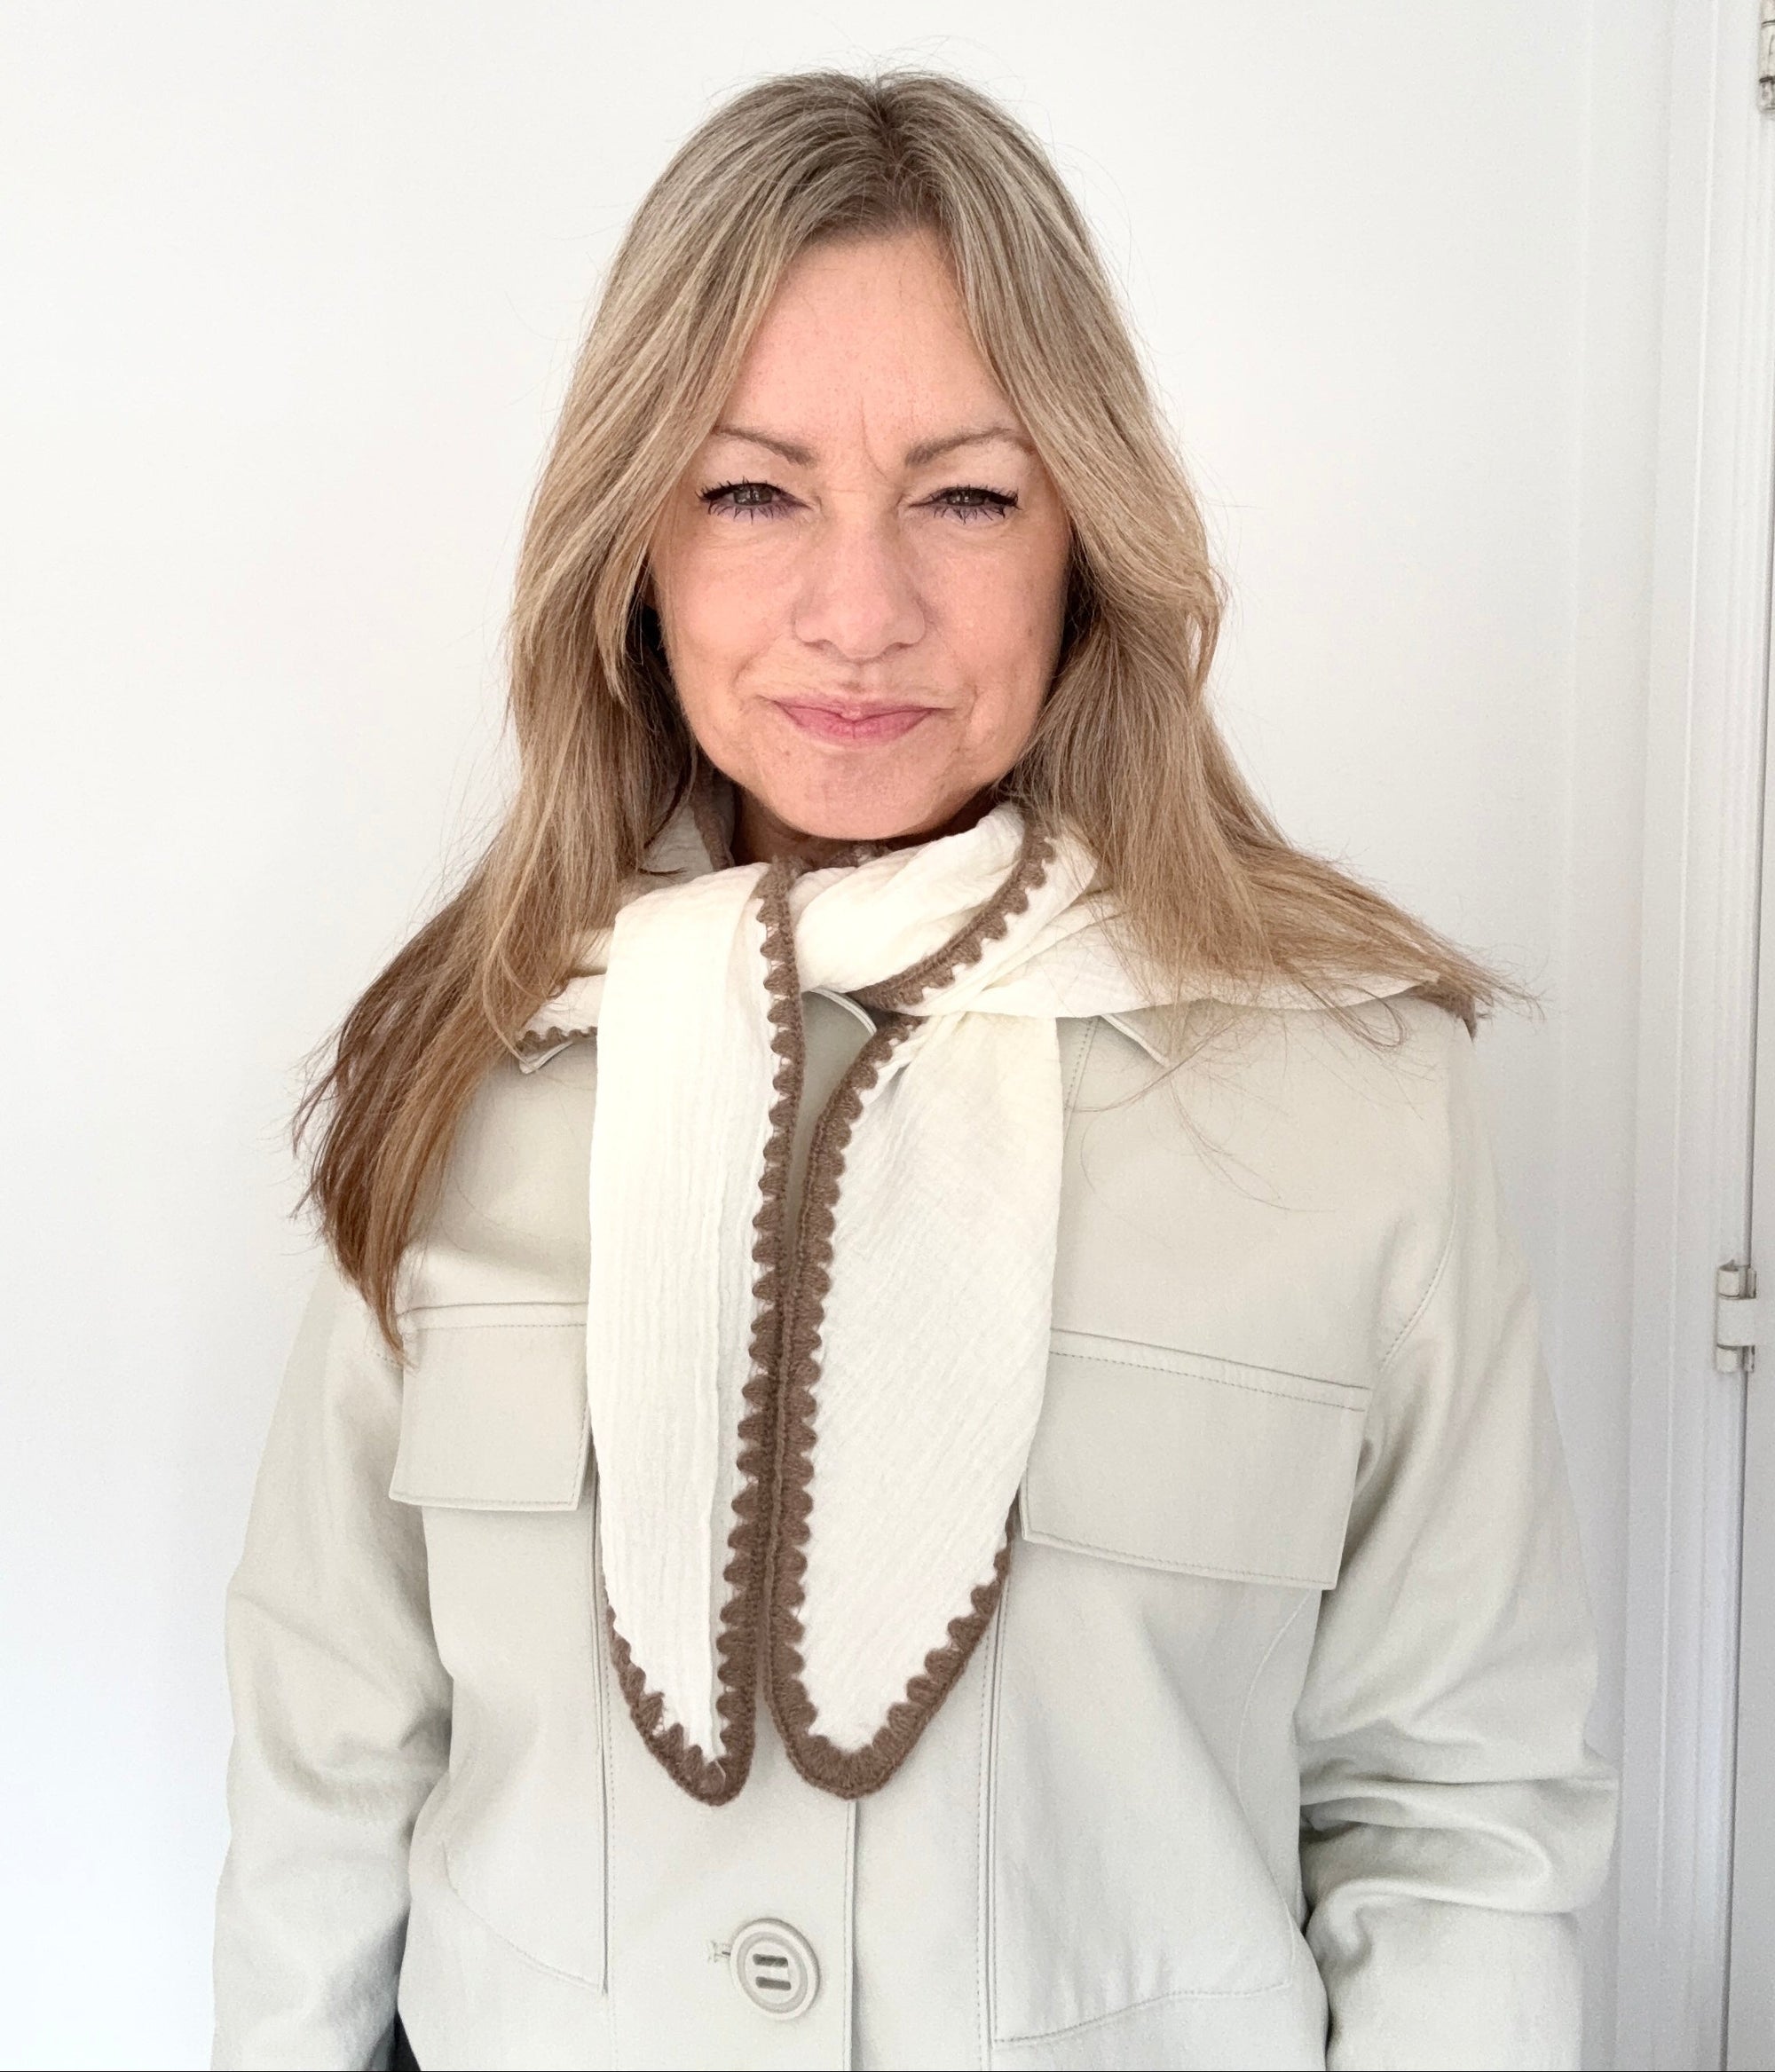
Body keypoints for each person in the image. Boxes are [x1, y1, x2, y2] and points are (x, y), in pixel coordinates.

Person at [210, 67, 1617, 2072]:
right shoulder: (470, 1068)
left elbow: (1456, 1822)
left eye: (967, 495)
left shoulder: (1355, 1100)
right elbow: (329, 1773)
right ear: (634, 545)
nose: (858, 613)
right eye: (750, 493)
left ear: (1083, 540)